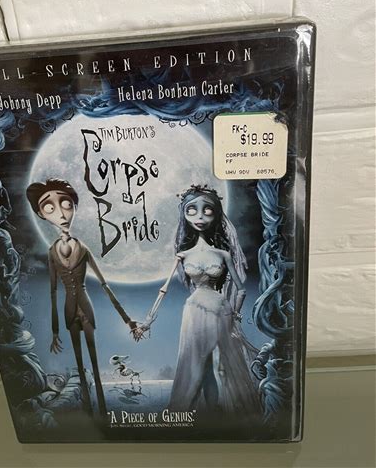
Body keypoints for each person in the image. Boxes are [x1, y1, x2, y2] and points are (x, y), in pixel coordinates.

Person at [135, 184, 261, 414]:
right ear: (184, 214)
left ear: (217, 213)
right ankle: (207, 411)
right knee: (198, 364)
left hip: (220, 310)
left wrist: (234, 315)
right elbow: (163, 290)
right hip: (194, 311)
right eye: (192, 210)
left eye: (207, 210)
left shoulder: (223, 254)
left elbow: (241, 289)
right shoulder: (183, 255)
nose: (200, 217)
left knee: (222, 363)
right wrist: (148, 321)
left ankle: (221, 412)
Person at [26, 178, 138, 417]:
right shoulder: (51, 252)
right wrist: (55, 331)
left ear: (75, 207)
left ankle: (103, 407)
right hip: (69, 309)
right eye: (49, 207)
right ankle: (88, 408)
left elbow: (104, 284)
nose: (61, 213)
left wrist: (127, 319)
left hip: (86, 307)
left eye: (66, 204)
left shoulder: (83, 248)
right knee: (78, 359)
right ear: (41, 214)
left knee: (94, 359)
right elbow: (53, 291)